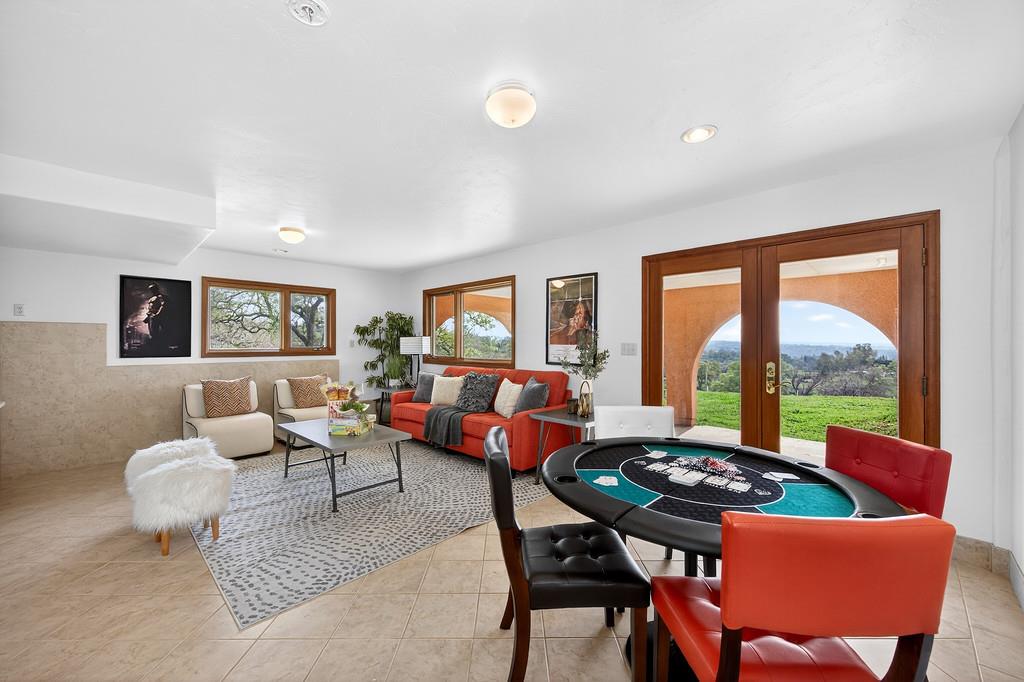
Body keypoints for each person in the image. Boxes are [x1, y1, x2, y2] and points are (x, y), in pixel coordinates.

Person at [143, 283, 168, 348]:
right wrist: (148, 317)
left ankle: (158, 346)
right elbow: (150, 308)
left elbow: (163, 305)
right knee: (152, 332)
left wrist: (157, 314)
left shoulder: (160, 297)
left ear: (156, 289)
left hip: (157, 316)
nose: (152, 290)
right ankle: (154, 345)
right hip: (151, 316)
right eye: (151, 289)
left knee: (156, 332)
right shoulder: (152, 298)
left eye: (153, 289)